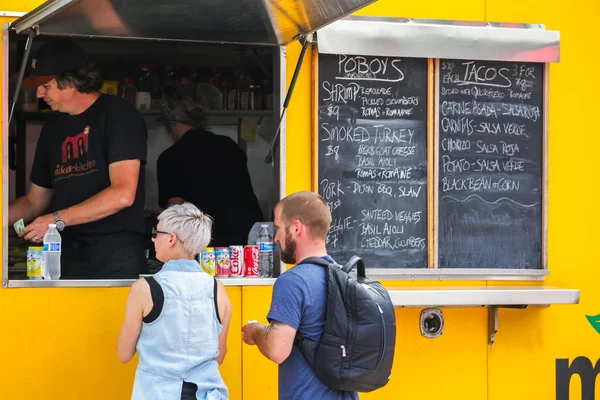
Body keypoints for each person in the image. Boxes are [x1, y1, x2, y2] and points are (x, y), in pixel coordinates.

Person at [9, 38, 148, 279]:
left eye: (47, 85)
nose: (39, 93)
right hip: (65, 252)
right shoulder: (53, 128)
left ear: (71, 81)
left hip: (115, 252)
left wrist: (55, 220)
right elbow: (34, 201)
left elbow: (123, 194)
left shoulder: (118, 115)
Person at [241, 191, 358, 400]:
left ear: (296, 227)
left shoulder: (293, 281)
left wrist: (257, 331)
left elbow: (278, 350)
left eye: (278, 228)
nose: (276, 237)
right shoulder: (345, 276)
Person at [117, 203, 231, 400]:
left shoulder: (145, 289)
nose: (152, 239)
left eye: (156, 232)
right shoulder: (218, 290)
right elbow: (218, 355)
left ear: (171, 238)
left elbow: (124, 354)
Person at [156, 85, 263, 246]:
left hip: (209, 245)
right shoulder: (228, 145)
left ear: (171, 124)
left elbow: (176, 213)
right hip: (250, 238)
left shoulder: (170, 157)